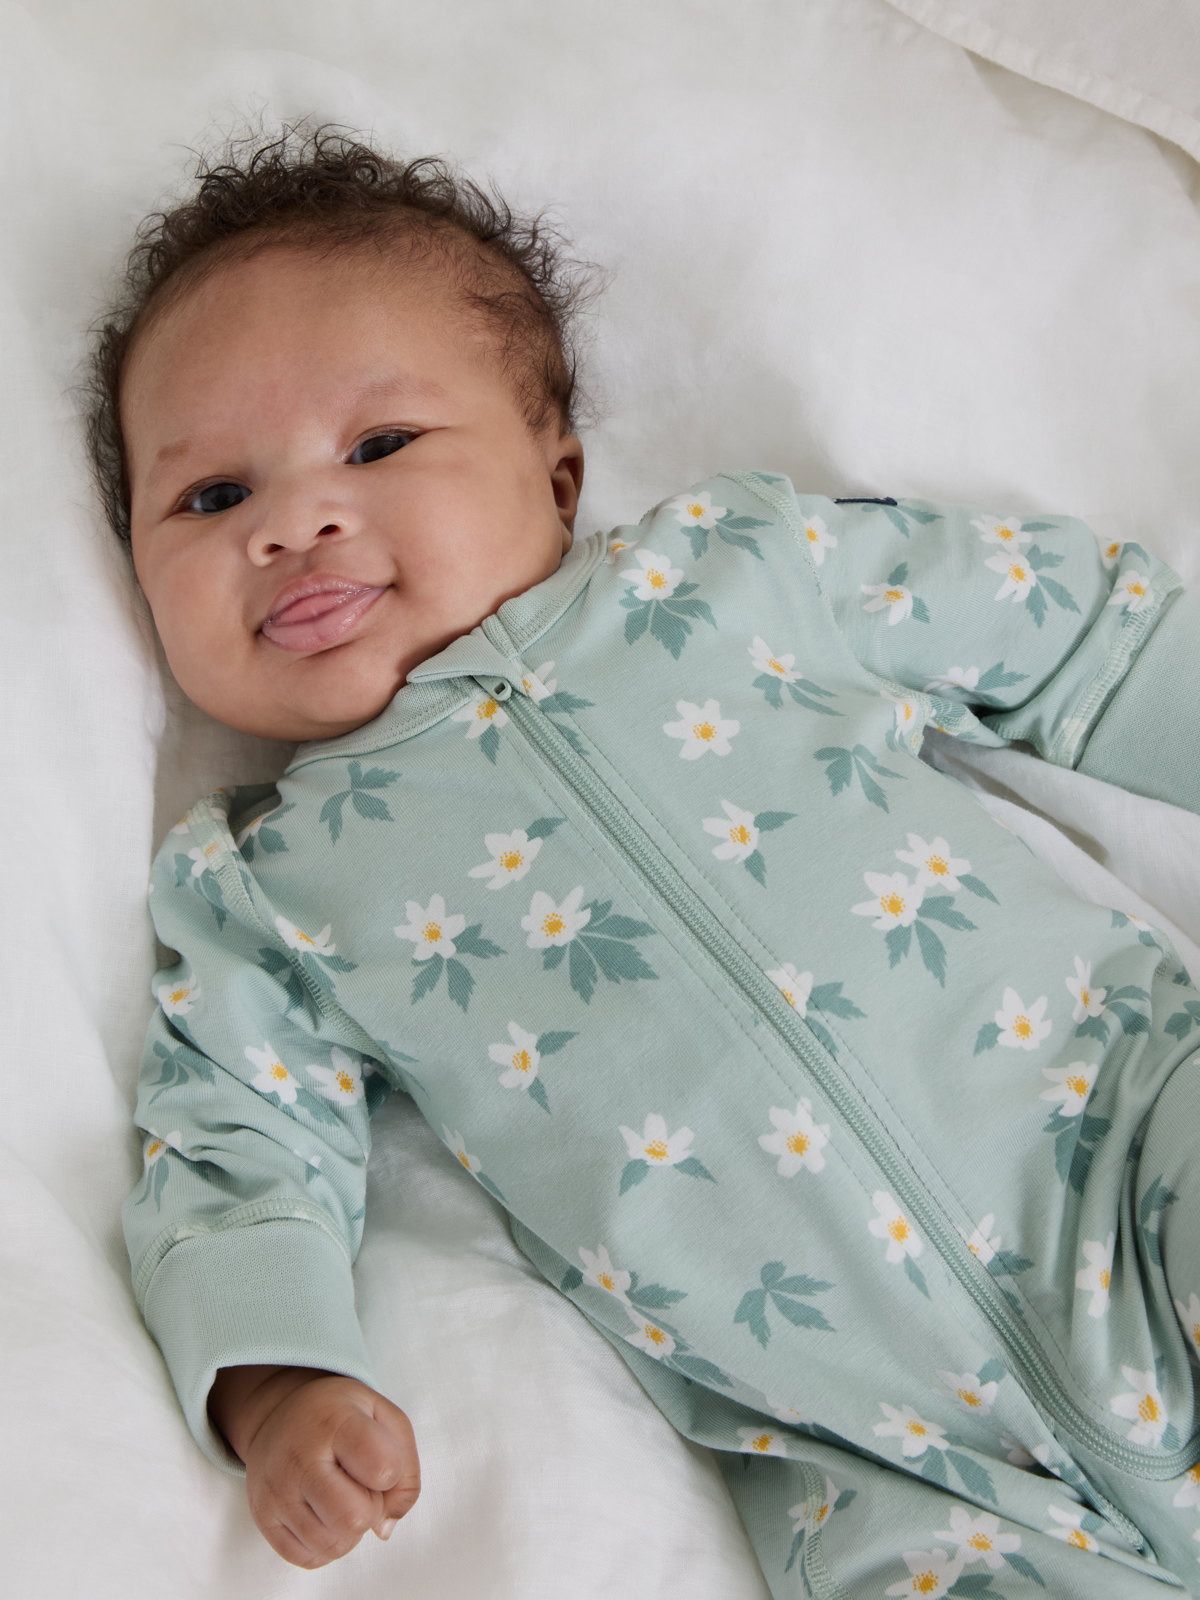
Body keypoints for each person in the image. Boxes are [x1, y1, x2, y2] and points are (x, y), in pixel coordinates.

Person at [92, 122, 1200, 1595]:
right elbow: (234, 1151)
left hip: (1124, 1140)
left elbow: (1073, 633)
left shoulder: (737, 575)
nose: (297, 519)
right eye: (212, 498)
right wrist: (275, 1380)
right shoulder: (266, 891)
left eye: (379, 446)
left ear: (557, 480)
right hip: (887, 1456)